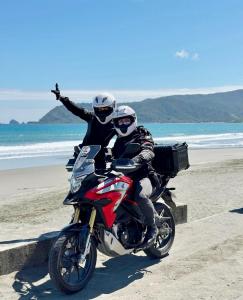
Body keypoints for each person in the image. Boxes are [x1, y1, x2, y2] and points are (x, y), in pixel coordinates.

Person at [112, 105, 158, 248]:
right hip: (124, 178)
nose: (123, 124)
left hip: (144, 177)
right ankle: (127, 224)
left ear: (133, 120)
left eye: (126, 121)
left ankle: (152, 228)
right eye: (120, 122)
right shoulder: (118, 140)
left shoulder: (142, 134)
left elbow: (148, 150)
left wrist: (137, 159)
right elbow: (110, 156)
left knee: (141, 195)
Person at [51, 84, 116, 169]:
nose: (101, 111)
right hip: (83, 153)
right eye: (99, 109)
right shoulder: (91, 117)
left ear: (113, 106)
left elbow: (124, 138)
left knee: (100, 179)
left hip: (100, 155)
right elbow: (76, 109)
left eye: (105, 109)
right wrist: (61, 98)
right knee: (78, 180)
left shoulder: (116, 123)